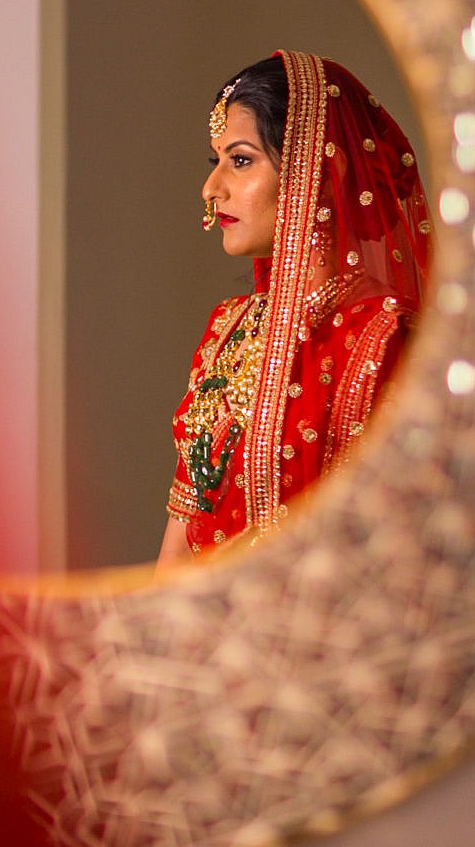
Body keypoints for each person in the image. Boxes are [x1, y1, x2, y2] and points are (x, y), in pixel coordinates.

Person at [158, 52, 431, 570]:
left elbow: (384, 552)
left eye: (240, 160)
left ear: (321, 169)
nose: (212, 189)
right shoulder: (228, 330)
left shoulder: (383, 339)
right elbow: (183, 528)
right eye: (215, 162)